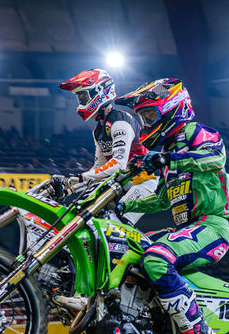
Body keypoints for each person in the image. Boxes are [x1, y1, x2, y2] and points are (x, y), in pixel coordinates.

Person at [118, 78, 229, 334]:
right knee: (127, 246)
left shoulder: (197, 132)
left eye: (151, 116)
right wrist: (122, 204)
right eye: (143, 118)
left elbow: (214, 157)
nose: (146, 123)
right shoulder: (168, 155)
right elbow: (159, 200)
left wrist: (170, 159)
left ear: (172, 109)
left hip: (211, 226)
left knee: (156, 258)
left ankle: (199, 331)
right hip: (184, 230)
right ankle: (155, 330)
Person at [54, 68, 156, 222]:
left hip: (144, 181)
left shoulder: (120, 121)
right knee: (88, 216)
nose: (81, 101)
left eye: (83, 96)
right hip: (123, 182)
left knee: (116, 223)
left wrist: (80, 177)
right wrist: (69, 189)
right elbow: (99, 168)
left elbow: (118, 164)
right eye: (79, 97)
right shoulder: (98, 130)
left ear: (99, 92)